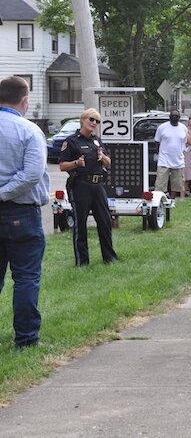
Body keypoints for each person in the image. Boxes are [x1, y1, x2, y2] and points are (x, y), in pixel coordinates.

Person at [0, 76, 49, 349]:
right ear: (25, 100)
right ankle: (27, 339)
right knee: (26, 278)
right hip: (21, 214)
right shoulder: (29, 130)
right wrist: (4, 192)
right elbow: (32, 173)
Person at [59, 108, 118, 266]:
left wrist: (103, 157)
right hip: (80, 185)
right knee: (80, 224)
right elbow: (62, 166)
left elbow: (108, 162)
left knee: (105, 221)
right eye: (91, 119)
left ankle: (109, 258)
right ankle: (82, 262)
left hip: (98, 185)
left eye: (97, 121)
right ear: (83, 120)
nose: (94, 123)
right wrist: (76, 163)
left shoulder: (97, 140)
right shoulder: (71, 141)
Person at [155, 109, 188, 200]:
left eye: (176, 116)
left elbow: (185, 143)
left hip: (178, 160)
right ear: (169, 117)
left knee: (176, 184)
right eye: (172, 116)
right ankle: (160, 201)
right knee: (160, 184)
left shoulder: (183, 128)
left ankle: (171, 201)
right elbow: (157, 141)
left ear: (179, 118)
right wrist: (160, 152)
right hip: (164, 160)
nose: (174, 117)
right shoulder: (162, 127)